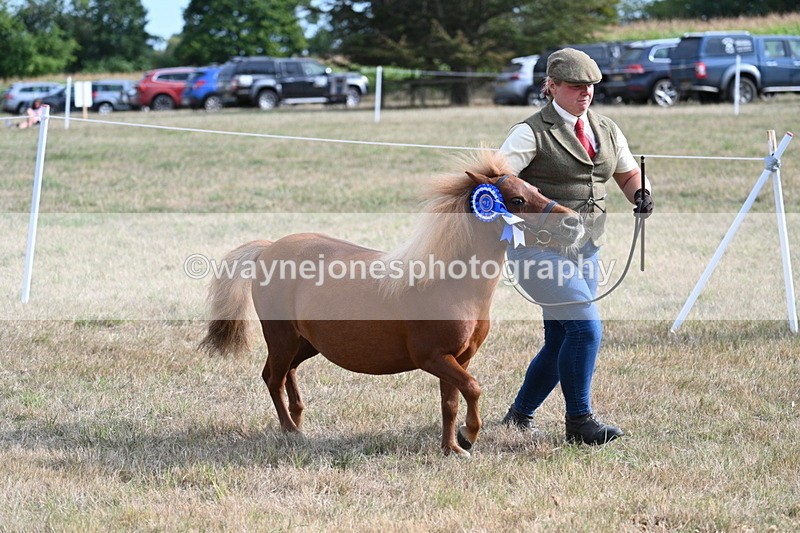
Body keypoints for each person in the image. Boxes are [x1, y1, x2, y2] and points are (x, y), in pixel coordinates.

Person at [499, 48, 654, 445]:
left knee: (561, 339)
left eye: (590, 87)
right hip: (536, 250)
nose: (584, 93)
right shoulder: (530, 132)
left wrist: (640, 193)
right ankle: (580, 422)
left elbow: (626, 172)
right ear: (551, 87)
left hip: (586, 248)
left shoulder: (605, 128)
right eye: (574, 86)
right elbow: (498, 181)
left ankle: (519, 415)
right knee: (586, 329)